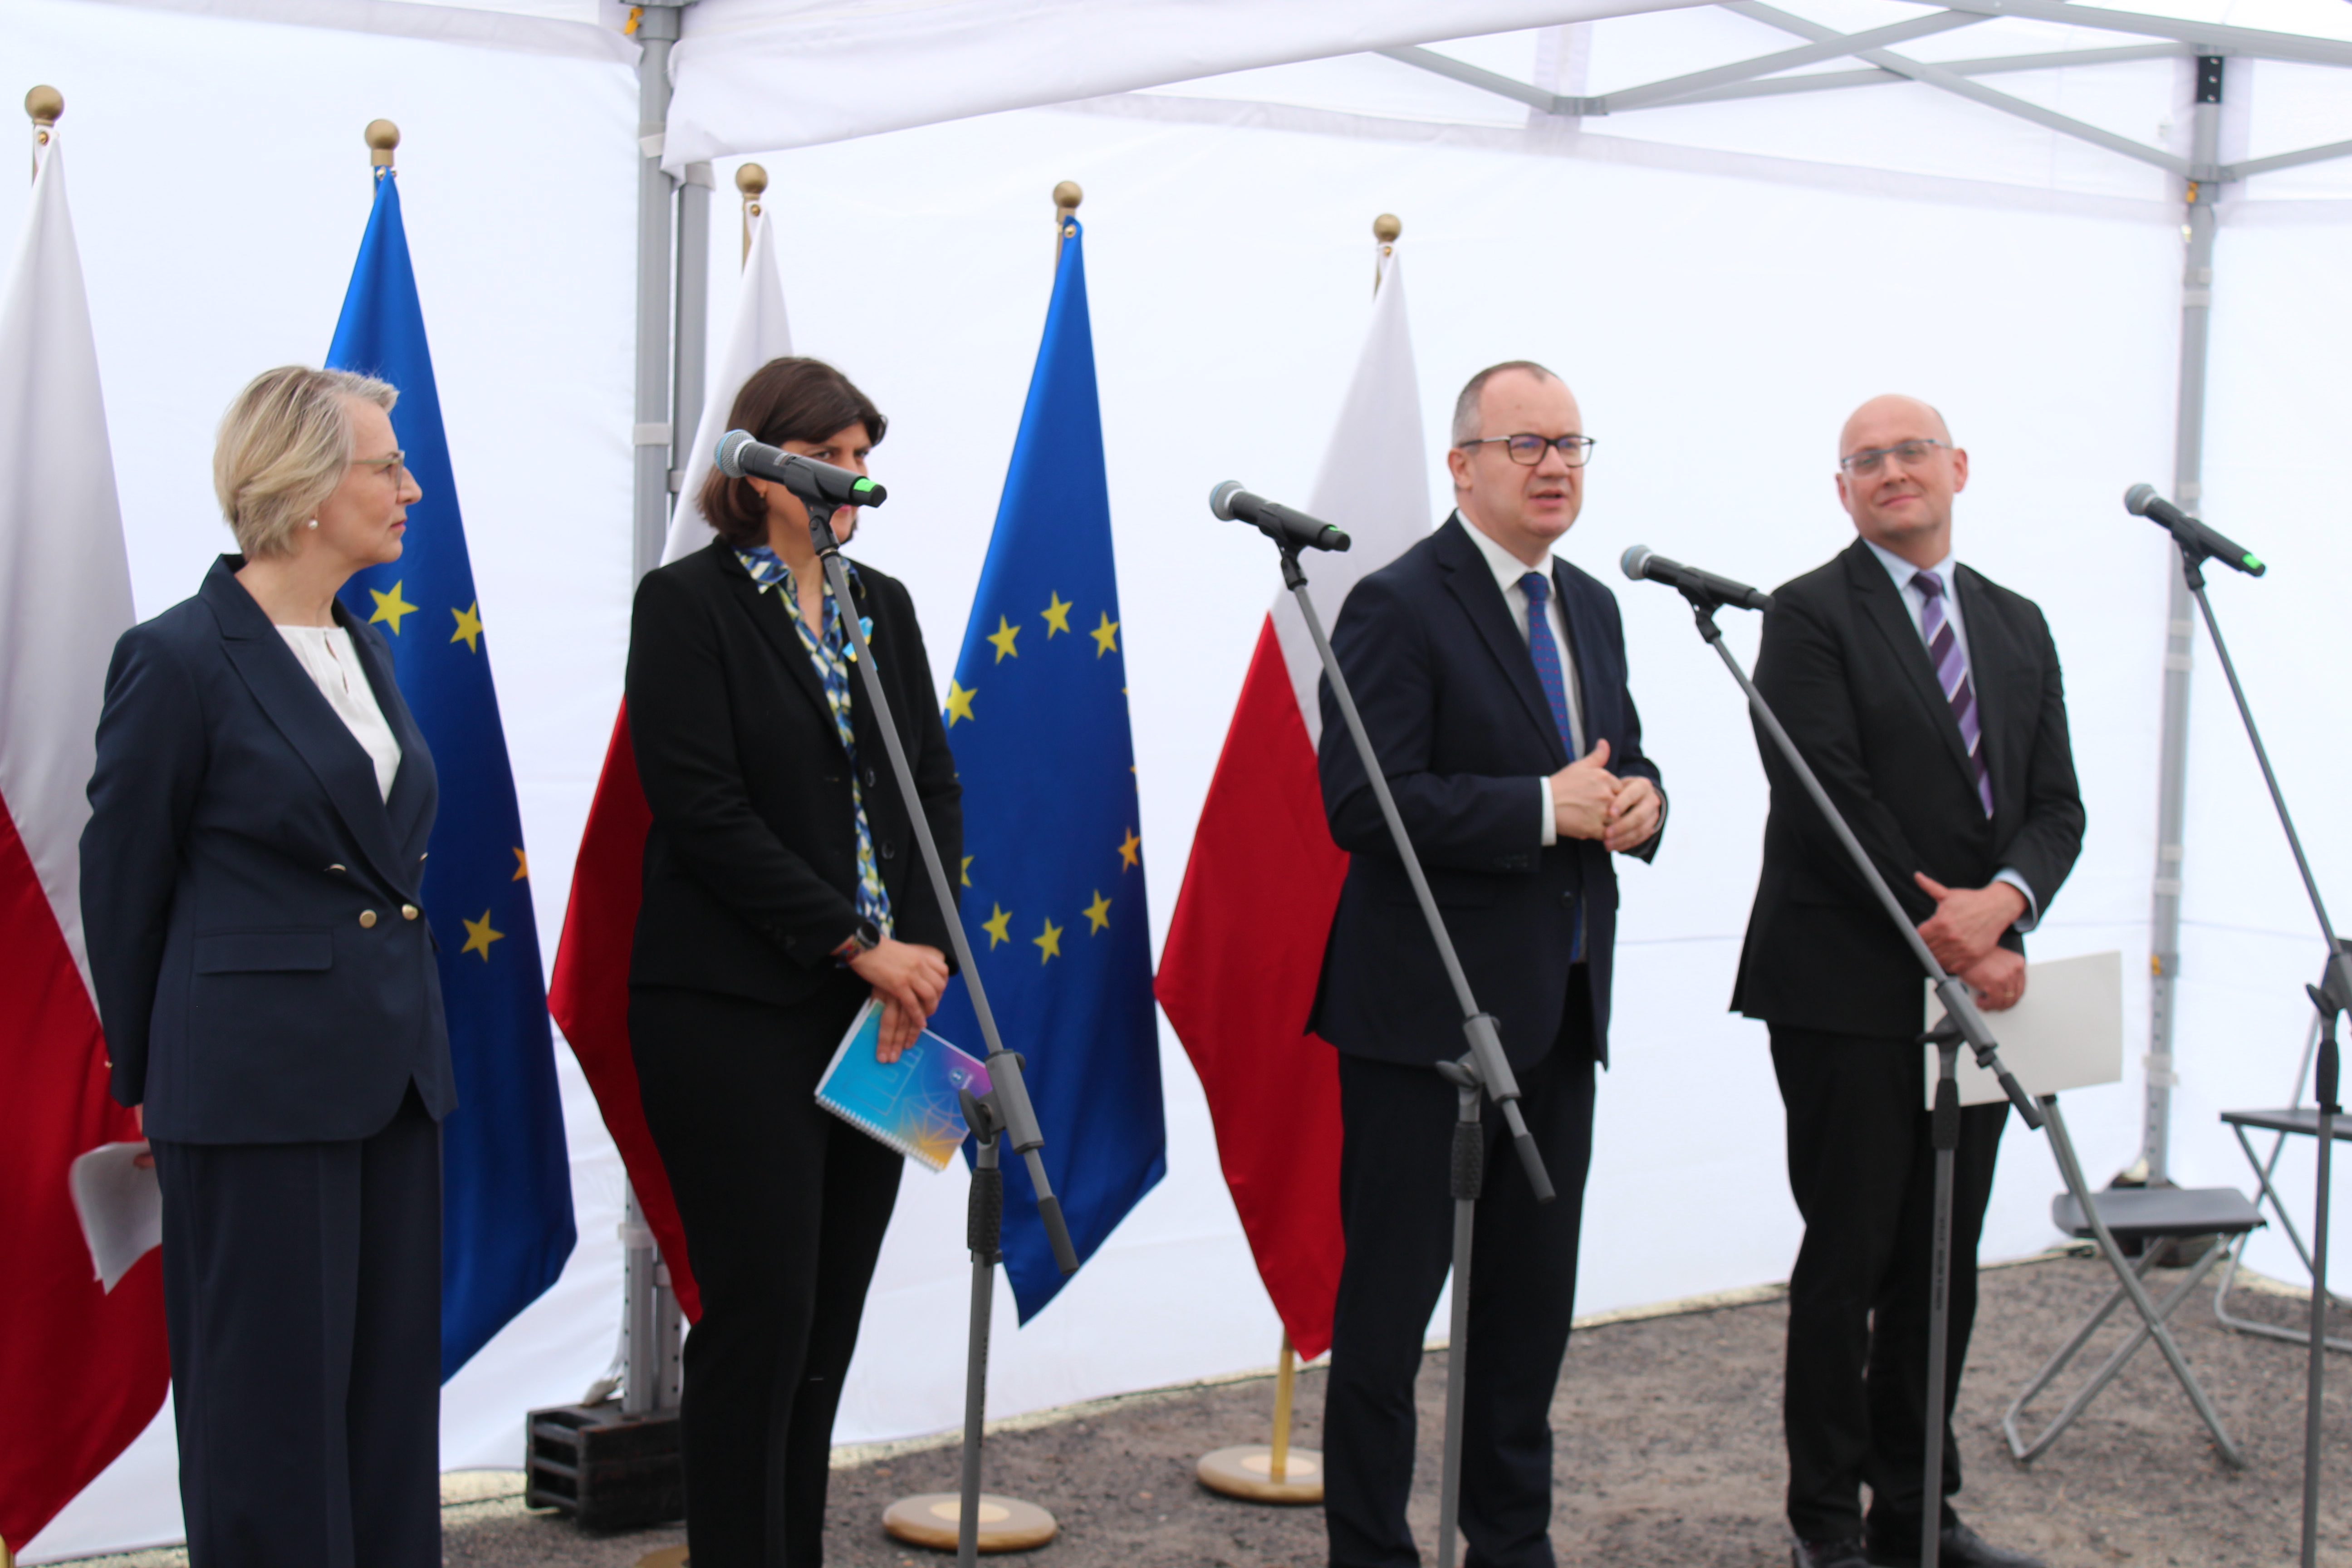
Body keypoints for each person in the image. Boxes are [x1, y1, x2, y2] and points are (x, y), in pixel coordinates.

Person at [80, 366, 449, 1567]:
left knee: (385, 1417)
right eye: (387, 466)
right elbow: (123, 885)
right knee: (267, 1426)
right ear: (303, 489)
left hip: (391, 1079)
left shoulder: (361, 648)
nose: (410, 488)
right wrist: (153, 1083)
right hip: (251, 1094)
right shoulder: (178, 659)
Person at [1311, 360, 1665, 1568]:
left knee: (1526, 1317)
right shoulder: (1398, 605)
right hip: (1427, 1025)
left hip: (1560, 1007)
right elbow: (1364, 801)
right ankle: (1371, 1552)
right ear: (1462, 466)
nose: (1555, 465)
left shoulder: (1592, 607)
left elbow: (1618, 759)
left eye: (1571, 443)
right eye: (1527, 445)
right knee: (1388, 1318)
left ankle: (1510, 1544)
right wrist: (1538, 809)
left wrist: (1642, 804)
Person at [1734, 395, 2083, 1568]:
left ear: (1958, 468)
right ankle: (1826, 1526)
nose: (1892, 472)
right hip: (1843, 987)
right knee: (1851, 1262)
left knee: (1943, 1262)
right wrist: (1957, 931)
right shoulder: (1806, 614)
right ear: (1843, 491)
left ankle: (1917, 1512)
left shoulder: (2018, 623)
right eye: (1866, 460)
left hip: (1975, 995)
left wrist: (2007, 904)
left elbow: (2056, 806)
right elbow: (1825, 796)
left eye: (1912, 452)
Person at [625, 357, 962, 1567]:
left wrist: (919, 961)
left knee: (825, 1327)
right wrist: (862, 946)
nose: (855, 477)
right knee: (761, 1316)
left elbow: (929, 791)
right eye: (830, 456)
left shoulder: (886, 607)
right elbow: (704, 812)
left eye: (864, 456)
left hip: (883, 1014)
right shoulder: (687, 605)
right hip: (731, 1011)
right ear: (763, 468)